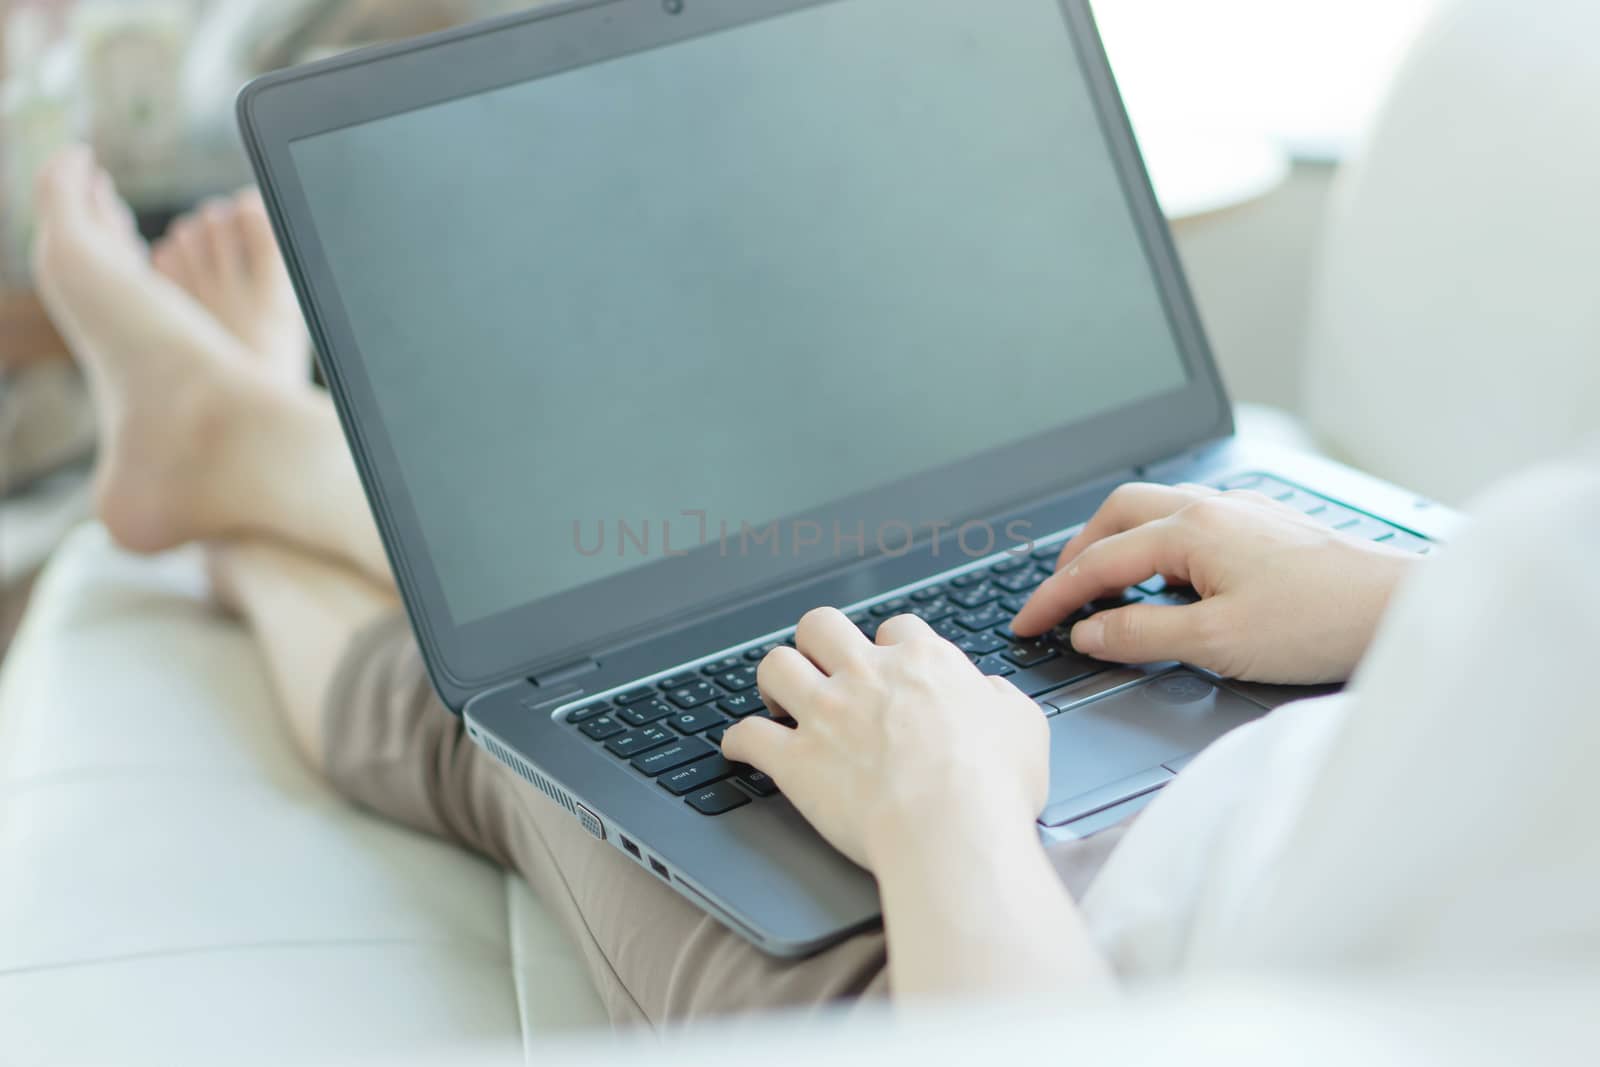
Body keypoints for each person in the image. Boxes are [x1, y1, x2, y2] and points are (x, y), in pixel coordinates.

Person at [29, 145, 1600, 1025]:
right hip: (1314, 702)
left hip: (1013, 950)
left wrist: (944, 823)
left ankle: (230, 474)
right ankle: (234, 452)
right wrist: (1407, 604)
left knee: (539, 732)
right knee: (713, 629)